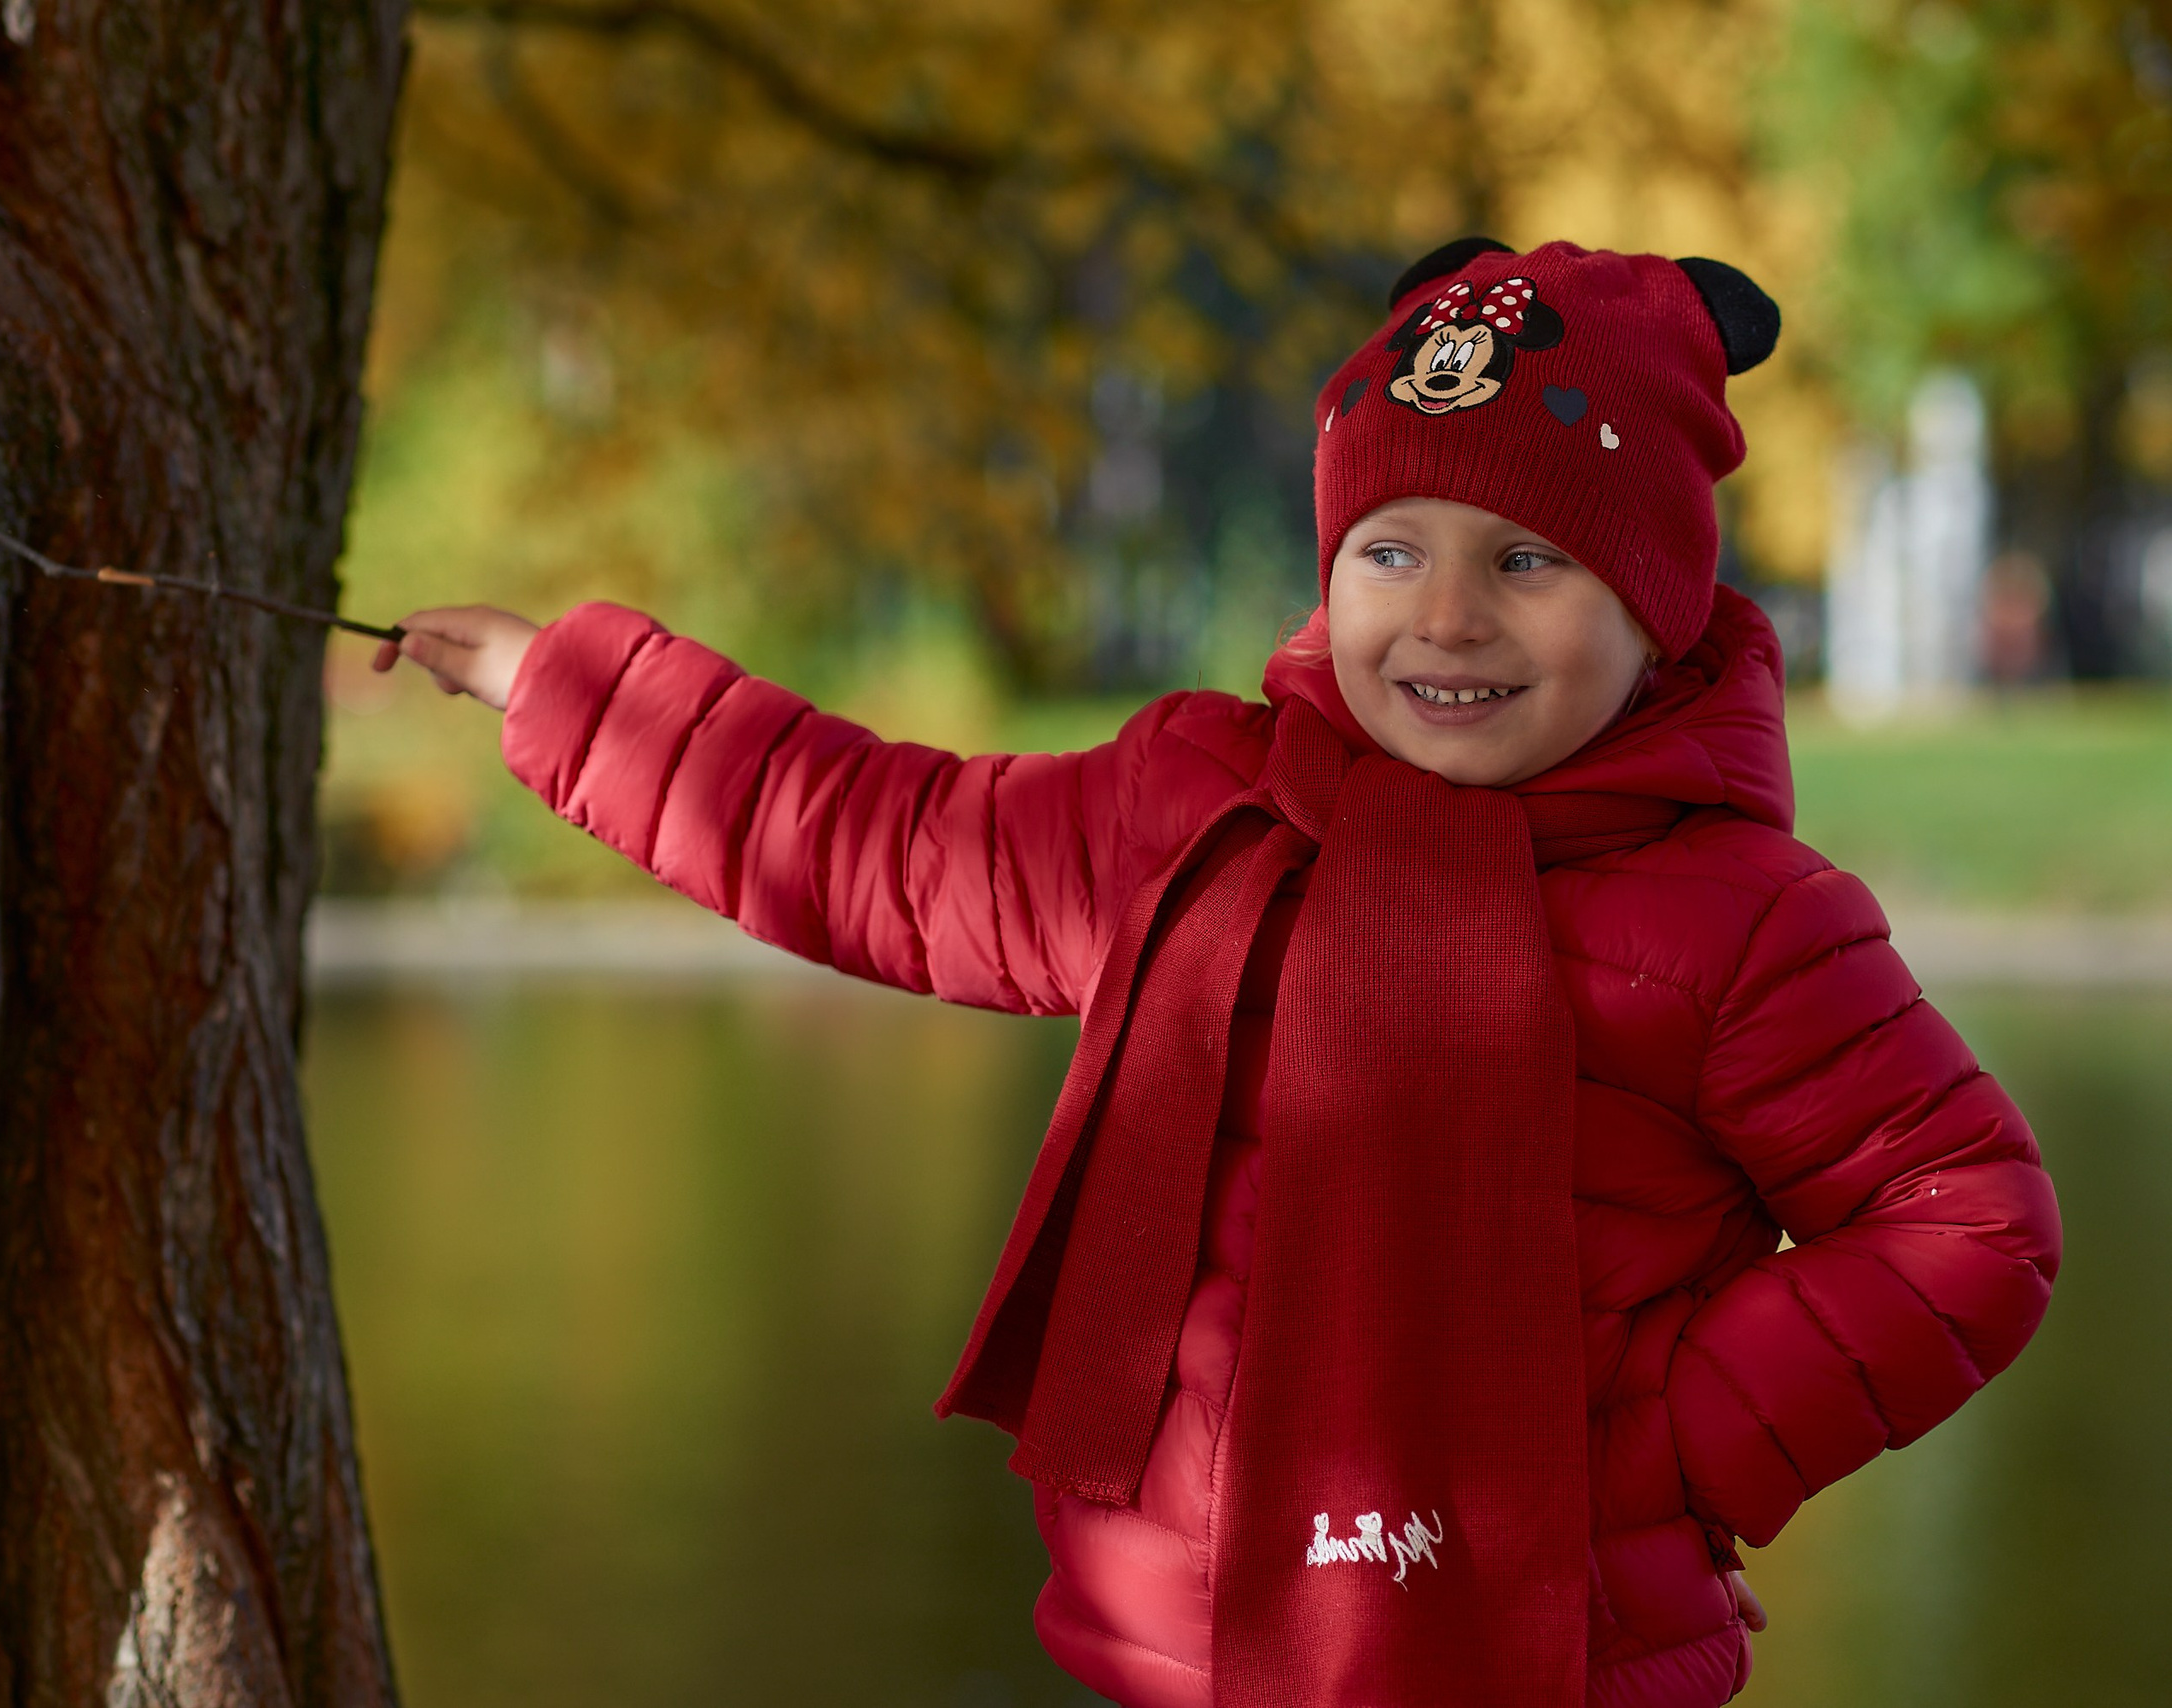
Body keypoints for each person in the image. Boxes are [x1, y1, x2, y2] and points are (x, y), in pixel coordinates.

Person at [370, 239, 2062, 1708]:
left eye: (1529, 561)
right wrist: (565, 691)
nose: (1448, 617)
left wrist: (1645, 1457)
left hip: (1547, 1660)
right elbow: (883, 847)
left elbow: (1967, 1221)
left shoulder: (1735, 918)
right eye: (1392, 549)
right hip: (1163, 1647)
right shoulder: (1200, 809)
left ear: (1658, 606)